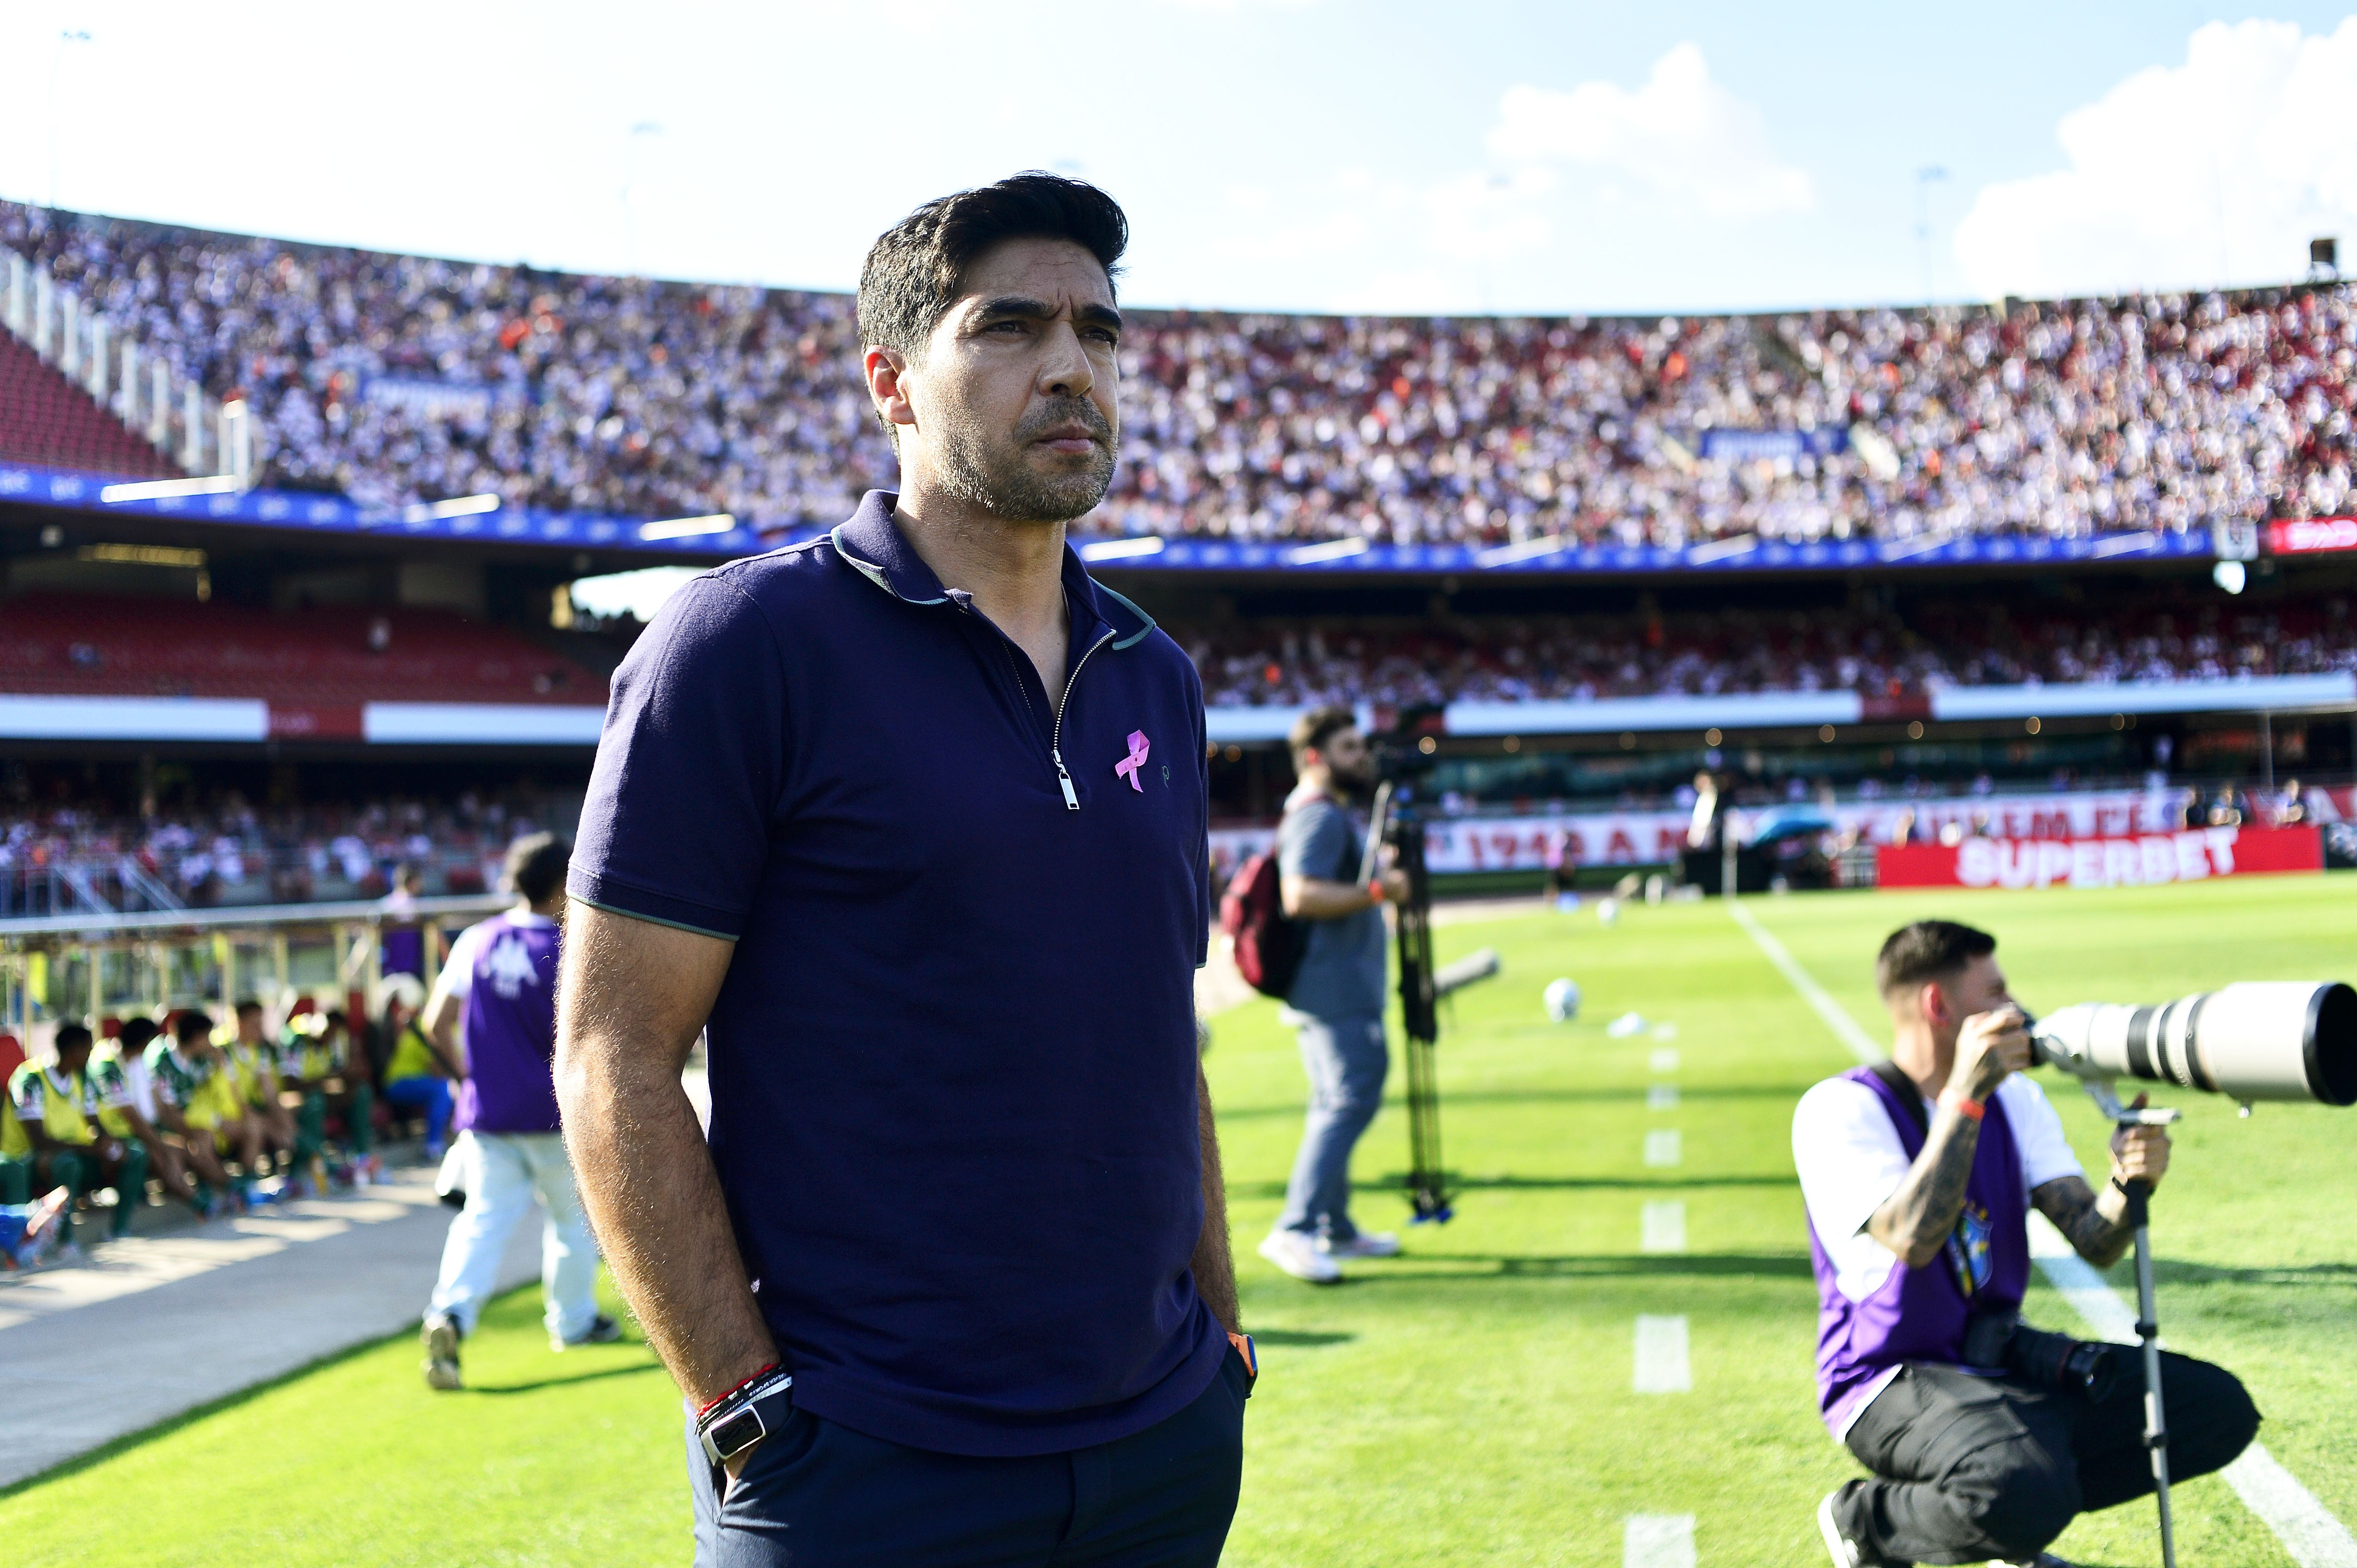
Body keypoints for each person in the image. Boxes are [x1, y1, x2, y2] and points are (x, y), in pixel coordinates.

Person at [558, 173, 1249, 1567]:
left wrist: (1221, 1337)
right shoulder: (747, 648)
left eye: (1099, 332)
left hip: (1160, 1445)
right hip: (865, 1465)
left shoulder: (1156, 676)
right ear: (892, 381)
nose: (1071, 366)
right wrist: (741, 1403)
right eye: (1007, 328)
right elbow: (612, 1056)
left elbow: (1156, 1037)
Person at [1798, 921, 2258, 1568]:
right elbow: (1912, 1237)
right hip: (1885, 1376)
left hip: (1998, 1355)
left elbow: (2094, 1239)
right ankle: (1870, 1523)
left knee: (2213, 1410)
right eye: (1995, 992)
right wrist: (1965, 1095)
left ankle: (2002, 1509)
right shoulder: (1842, 1109)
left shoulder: (2017, 1100)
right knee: (2020, 1485)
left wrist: (2127, 1185)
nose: (2014, 1009)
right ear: (1939, 1004)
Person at [419, 834, 615, 1390]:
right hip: (556, 1117)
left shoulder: (477, 939)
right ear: (562, 882)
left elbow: (435, 1022)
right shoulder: (571, 945)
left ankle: (450, 1315)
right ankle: (573, 1322)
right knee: (574, 1224)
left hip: (489, 1113)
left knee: (481, 1223)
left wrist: (468, 1078)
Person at [1256, 706, 1409, 1285]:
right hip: (1333, 983)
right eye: (1349, 747)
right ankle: (1294, 1228)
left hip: (1333, 980)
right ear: (1316, 756)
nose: (1362, 756)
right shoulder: (1317, 816)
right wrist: (1378, 890)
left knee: (1334, 1100)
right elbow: (1300, 896)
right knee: (1349, 1099)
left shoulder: (1325, 811)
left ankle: (1335, 1226)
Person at [4, 1023, 148, 1245]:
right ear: (74, 1050)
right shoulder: (31, 1079)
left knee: (134, 1154)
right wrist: (91, 1149)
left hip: (74, 1151)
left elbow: (96, 1124)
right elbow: (40, 1142)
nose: (90, 1057)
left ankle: (119, 1230)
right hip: (28, 1158)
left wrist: (109, 1145)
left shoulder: (81, 1078)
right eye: (88, 1050)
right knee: (68, 1164)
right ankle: (64, 1240)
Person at [146, 1009, 259, 1214]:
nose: (211, 1043)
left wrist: (222, 1063)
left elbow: (222, 1092)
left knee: (252, 1128)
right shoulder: (163, 1064)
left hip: (204, 1119)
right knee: (202, 1139)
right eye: (207, 1037)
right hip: (172, 1127)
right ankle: (230, 1189)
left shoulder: (203, 1058)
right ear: (197, 1038)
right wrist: (204, 1127)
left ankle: (244, 1184)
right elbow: (167, 1114)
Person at [91, 1017, 201, 1215]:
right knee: (162, 1153)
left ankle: (201, 1197)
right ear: (145, 1043)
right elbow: (132, 1118)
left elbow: (156, 1108)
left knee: (183, 1148)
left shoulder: (133, 1060)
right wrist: (160, 1144)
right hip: (113, 1136)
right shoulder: (107, 1065)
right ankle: (198, 1203)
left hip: (137, 1132)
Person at [276, 1008, 380, 1188]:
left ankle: (360, 1155)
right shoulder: (298, 1044)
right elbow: (289, 1083)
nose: (331, 1035)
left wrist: (350, 1076)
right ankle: (319, 1162)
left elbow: (337, 1074)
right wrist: (324, 1082)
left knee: (361, 1092)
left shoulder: (331, 1047)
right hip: (299, 1101)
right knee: (316, 1102)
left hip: (324, 1097)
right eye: (329, 1030)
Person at [379, 974, 458, 1159]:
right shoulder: (429, 1026)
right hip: (397, 1083)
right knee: (444, 1089)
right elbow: (436, 1070)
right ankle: (433, 1144)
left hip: (409, 1081)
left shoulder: (433, 1023)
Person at [227, 999, 297, 1173]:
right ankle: (247, 1180)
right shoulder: (225, 1054)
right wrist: (270, 1127)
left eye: (261, 1024)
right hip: (232, 1112)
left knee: (288, 1118)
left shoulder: (260, 1052)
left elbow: (270, 1093)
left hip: (253, 1109)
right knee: (255, 1127)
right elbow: (238, 1102)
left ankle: (302, 1166)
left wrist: (283, 1118)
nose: (260, 1030)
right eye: (255, 1025)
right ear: (239, 1024)